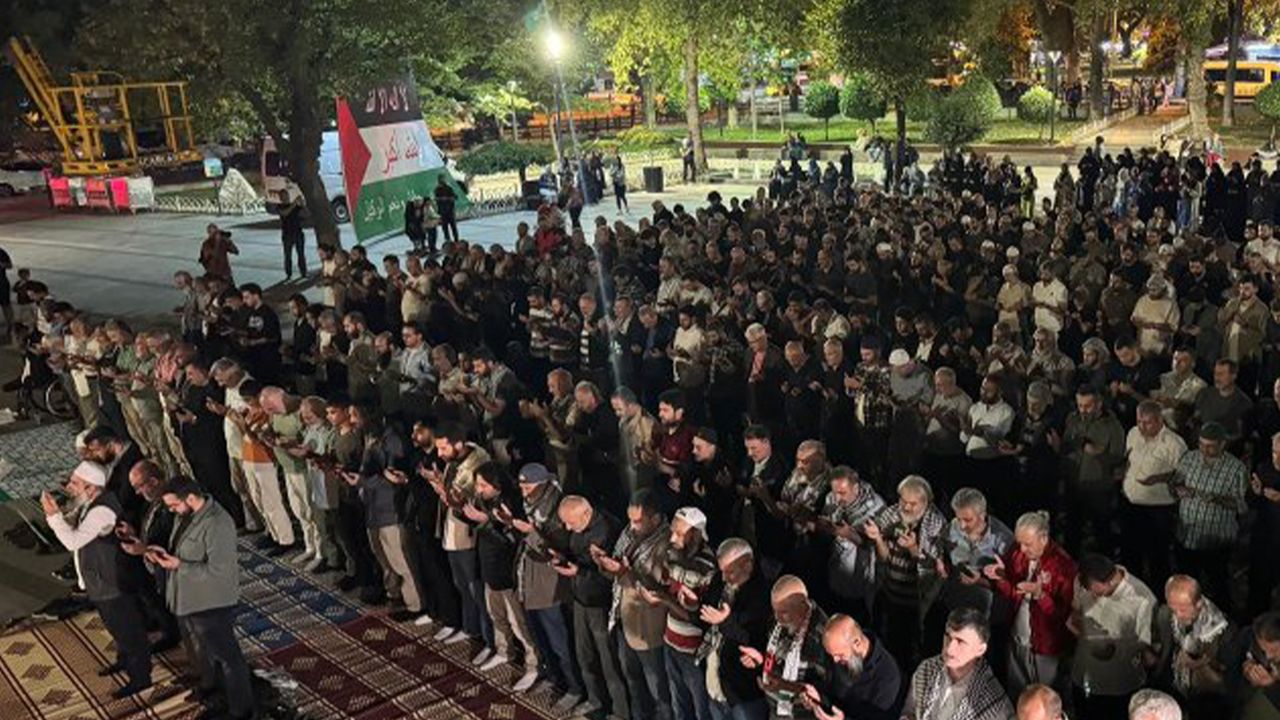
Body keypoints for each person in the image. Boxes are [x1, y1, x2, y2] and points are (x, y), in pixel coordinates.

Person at [42, 461, 153, 698]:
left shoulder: (102, 510)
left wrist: (54, 517)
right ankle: (125, 661)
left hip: (112, 582)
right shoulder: (90, 503)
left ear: (91, 487)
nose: (69, 487)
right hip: (101, 581)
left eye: (75, 483)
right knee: (116, 628)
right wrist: (60, 516)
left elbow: (73, 541)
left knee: (128, 631)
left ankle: (141, 678)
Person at [156, 476, 255, 720]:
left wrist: (179, 565)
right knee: (209, 654)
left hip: (211, 601)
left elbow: (219, 570)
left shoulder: (217, 523)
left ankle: (240, 711)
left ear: (190, 498)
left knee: (228, 658)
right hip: (191, 598)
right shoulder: (187, 516)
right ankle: (218, 696)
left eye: (174, 505)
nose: (172, 510)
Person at [988, 511, 1076, 698]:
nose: (1022, 549)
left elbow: (1065, 616)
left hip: (1045, 647)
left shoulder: (1063, 566)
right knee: (1017, 694)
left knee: (1043, 698)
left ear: (1043, 538)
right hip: (1016, 638)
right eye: (1019, 543)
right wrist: (1001, 578)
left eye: (1027, 544)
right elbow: (1013, 592)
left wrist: (1040, 595)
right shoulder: (1016, 553)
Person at [1069, 553, 1157, 720]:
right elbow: (1076, 612)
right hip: (1084, 676)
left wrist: (1116, 648)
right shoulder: (1082, 581)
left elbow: (1148, 650)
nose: (1090, 595)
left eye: (1095, 592)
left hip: (1119, 687)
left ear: (1109, 581)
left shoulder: (1142, 598)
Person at [900, 607, 1015, 720]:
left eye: (960, 642)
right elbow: (910, 711)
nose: (950, 648)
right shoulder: (927, 670)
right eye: (948, 637)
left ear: (980, 650)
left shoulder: (994, 704)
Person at [801, 613, 902, 720]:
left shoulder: (887, 679)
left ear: (857, 643)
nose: (835, 660)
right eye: (832, 655)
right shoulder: (841, 650)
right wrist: (818, 699)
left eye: (840, 655)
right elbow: (833, 695)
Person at [281, 195, 307, 279]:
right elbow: (285, 213)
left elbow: (306, 214)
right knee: (288, 255)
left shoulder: (295, 206)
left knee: (301, 254)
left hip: (298, 232)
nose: (285, 198)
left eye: (286, 196)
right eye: (283, 196)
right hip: (287, 234)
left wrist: (302, 204)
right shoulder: (280, 206)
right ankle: (288, 273)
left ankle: (303, 272)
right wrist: (294, 203)